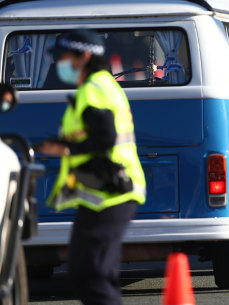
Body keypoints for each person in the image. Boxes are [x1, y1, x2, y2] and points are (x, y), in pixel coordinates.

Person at [38, 29, 146, 304]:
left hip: (111, 192)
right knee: (89, 271)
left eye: (63, 57)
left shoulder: (94, 89)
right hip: (101, 192)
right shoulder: (100, 85)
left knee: (92, 274)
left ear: (84, 55)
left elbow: (105, 137)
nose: (58, 63)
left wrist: (63, 148)